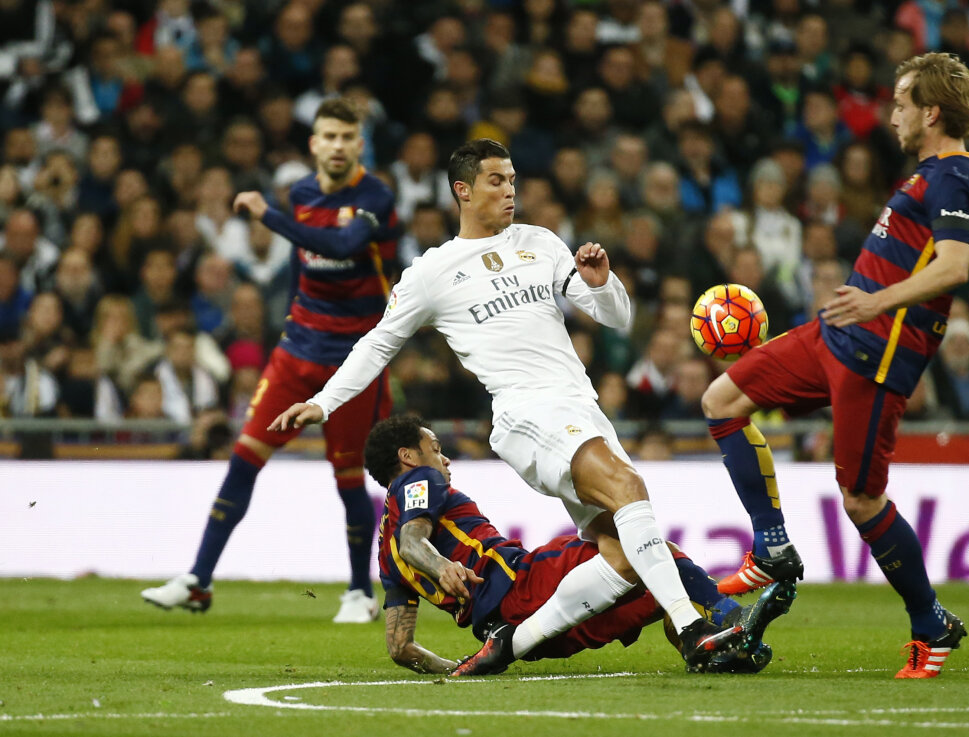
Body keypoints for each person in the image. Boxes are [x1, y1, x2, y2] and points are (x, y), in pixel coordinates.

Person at [271, 138, 743, 674]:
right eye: (497, 181)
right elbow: (379, 341)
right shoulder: (433, 271)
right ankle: (693, 626)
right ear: (464, 191)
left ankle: (511, 644)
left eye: (513, 180)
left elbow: (617, 318)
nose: (510, 191)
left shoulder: (541, 243)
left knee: (620, 549)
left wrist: (603, 282)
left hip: (580, 406)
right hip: (527, 411)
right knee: (631, 491)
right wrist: (323, 402)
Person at [700, 52, 969, 679]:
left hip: (876, 357)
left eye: (902, 103)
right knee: (722, 400)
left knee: (862, 500)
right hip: (835, 336)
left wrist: (876, 301)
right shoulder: (939, 176)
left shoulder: (951, 176)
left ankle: (932, 625)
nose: (892, 114)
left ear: (930, 111)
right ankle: (771, 545)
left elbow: (957, 268)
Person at [141, 98, 399, 623]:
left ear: (359, 144)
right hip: (296, 352)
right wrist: (291, 322)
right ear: (314, 143)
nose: (337, 146)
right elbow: (305, 269)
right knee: (244, 456)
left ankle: (358, 593)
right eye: (328, 136)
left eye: (347, 137)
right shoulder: (302, 192)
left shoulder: (375, 195)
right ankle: (198, 580)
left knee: (348, 476)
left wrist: (268, 216)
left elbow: (344, 244)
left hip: (353, 361)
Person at [367, 415, 793, 675]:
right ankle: (730, 612)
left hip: (529, 635)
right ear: (407, 457)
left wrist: (456, 668)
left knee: (662, 595)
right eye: (435, 449)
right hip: (525, 583)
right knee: (645, 549)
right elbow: (413, 539)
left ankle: (713, 650)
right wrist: (442, 566)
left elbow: (400, 648)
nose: (444, 460)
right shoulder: (418, 480)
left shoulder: (384, 555)